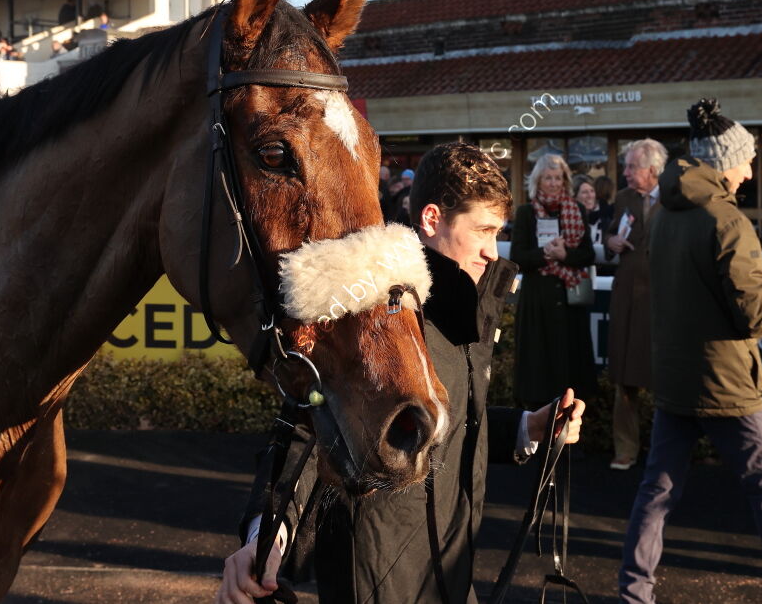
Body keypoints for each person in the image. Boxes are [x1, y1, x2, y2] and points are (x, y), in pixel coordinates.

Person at [217, 141, 584, 604]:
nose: (493, 251)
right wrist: (266, 539)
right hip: (379, 580)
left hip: (450, 574)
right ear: (431, 219)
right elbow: (308, 431)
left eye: (499, 232)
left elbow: (443, 422)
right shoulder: (374, 312)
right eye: (483, 230)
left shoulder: (469, 302)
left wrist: (529, 427)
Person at [619, 98, 762, 604]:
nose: (750, 172)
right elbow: (752, 315)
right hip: (727, 384)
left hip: (676, 377)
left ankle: (634, 593)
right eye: (747, 161)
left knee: (657, 492)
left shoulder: (662, 213)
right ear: (726, 162)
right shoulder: (727, 221)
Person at [511, 152, 598, 410]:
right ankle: (536, 427)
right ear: (538, 181)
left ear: (565, 181)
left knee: (571, 374)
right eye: (548, 178)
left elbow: (588, 254)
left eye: (558, 178)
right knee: (538, 374)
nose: (553, 183)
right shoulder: (526, 213)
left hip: (569, 304)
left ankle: (570, 422)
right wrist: (545, 254)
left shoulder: (576, 210)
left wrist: (565, 255)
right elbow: (517, 256)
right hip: (538, 304)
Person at [603, 138, 667, 471]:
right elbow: (611, 235)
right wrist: (610, 240)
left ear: (653, 170)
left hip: (661, 299)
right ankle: (625, 448)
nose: (625, 172)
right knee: (625, 377)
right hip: (626, 296)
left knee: (662, 377)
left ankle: (664, 452)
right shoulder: (624, 198)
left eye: (632, 167)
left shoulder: (674, 199)